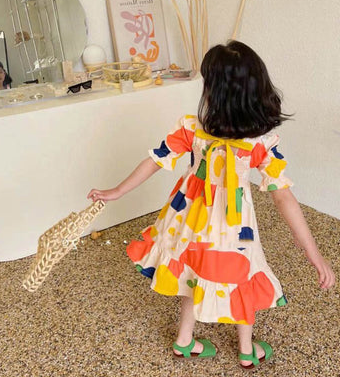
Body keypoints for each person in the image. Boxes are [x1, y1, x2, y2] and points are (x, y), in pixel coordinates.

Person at [87, 40, 335, 369]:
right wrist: (313, 253)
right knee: (241, 275)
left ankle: (184, 340)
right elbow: (283, 196)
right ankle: (246, 349)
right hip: (235, 227)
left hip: (189, 218)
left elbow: (156, 159)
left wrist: (118, 191)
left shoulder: (193, 129)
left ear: (214, 93)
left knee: (193, 270)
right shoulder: (259, 144)